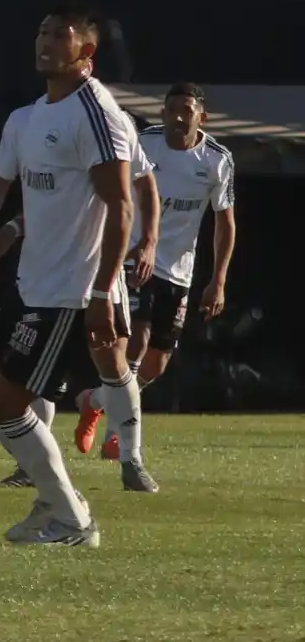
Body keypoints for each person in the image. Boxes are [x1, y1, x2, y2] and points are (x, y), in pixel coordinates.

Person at [0, 2, 148, 546]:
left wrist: (101, 291)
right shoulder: (27, 117)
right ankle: (55, 492)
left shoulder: (97, 114)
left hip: (71, 289)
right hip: (31, 283)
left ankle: (72, 520)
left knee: (6, 400)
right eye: (40, 31)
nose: (44, 42)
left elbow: (122, 207)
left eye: (58, 35)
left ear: (85, 52)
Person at [0, 111, 160, 487]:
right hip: (36, 280)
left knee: (114, 363)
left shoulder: (108, 122)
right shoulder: (27, 121)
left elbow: (142, 186)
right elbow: (43, 200)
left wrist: (149, 242)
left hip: (90, 277)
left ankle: (129, 461)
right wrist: (1, 229)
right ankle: (36, 462)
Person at [74, 82, 236, 474]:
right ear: (161, 114)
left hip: (178, 271)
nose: (178, 118)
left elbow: (224, 223)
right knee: (136, 342)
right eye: (171, 110)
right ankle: (120, 433)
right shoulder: (141, 143)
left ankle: (95, 402)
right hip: (135, 261)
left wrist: (218, 280)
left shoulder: (217, 159)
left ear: (202, 116)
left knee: (155, 365)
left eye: (186, 110)